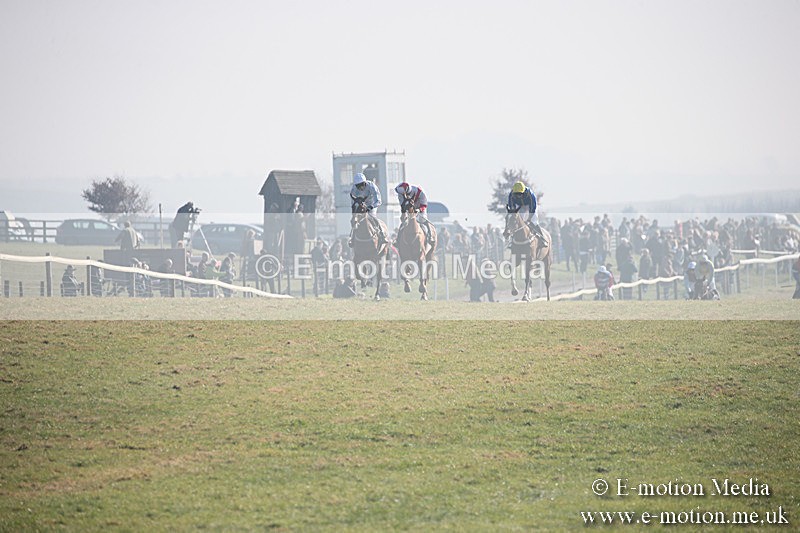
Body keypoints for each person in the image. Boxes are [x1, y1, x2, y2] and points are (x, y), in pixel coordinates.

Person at [506, 181, 547, 248]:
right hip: (519, 206)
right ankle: (511, 241)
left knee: (534, 221)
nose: (518, 196)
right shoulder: (511, 195)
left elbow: (532, 209)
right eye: (516, 194)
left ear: (524, 192)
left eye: (520, 194)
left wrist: (528, 219)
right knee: (517, 221)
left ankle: (542, 239)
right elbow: (512, 207)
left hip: (530, 206)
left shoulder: (530, 195)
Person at [349, 173, 386, 247]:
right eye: (358, 186)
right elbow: (353, 201)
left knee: (372, 217)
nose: (360, 187)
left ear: (365, 183)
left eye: (362, 185)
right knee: (355, 220)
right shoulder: (354, 189)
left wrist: (371, 207)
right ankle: (352, 238)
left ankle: (382, 235)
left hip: (372, 204)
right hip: (360, 205)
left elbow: (378, 201)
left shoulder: (372, 186)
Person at [395, 182, 435, 247]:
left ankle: (430, 237)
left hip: (420, 207)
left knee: (422, 220)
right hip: (409, 208)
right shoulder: (400, 194)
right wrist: (404, 213)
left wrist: (419, 210)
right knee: (404, 223)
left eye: (406, 194)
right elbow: (402, 205)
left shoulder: (419, 192)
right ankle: (398, 240)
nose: (404, 195)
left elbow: (424, 204)